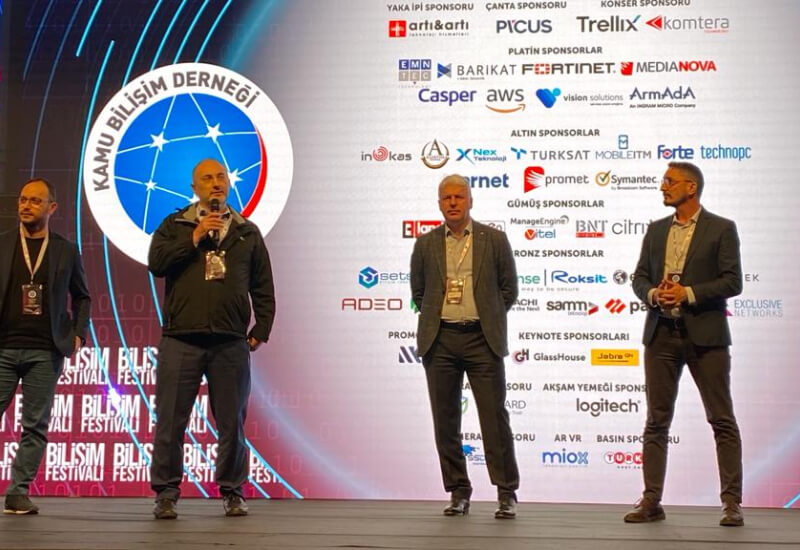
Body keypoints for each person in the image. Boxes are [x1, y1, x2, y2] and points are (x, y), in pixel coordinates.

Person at [148, 158, 275, 519]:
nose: (216, 183)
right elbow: (157, 263)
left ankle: (233, 491)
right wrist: (195, 236)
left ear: (229, 184)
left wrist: (260, 330)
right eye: (207, 178)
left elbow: (263, 286)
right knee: (171, 421)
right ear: (195, 188)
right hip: (181, 340)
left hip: (230, 342)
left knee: (232, 422)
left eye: (221, 177)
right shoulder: (175, 225)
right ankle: (166, 493)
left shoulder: (247, 232)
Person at [625, 162, 744, 526]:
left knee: (721, 419)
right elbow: (639, 277)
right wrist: (653, 294)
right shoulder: (656, 230)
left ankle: (732, 503)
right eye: (664, 181)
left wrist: (687, 293)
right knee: (656, 421)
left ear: (691, 188)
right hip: (661, 334)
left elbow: (733, 282)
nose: (663, 187)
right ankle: (651, 500)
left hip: (706, 337)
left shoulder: (721, 228)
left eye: (670, 181)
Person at [410, 174, 520, 519]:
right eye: (447, 198)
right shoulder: (425, 244)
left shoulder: (494, 239)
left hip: (482, 339)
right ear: (439, 204)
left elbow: (508, 290)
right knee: (445, 421)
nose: (453, 203)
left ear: (471, 200)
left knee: (494, 418)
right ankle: (458, 491)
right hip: (440, 340)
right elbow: (419, 294)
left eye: (459, 197)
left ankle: (506, 492)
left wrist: (484, 317)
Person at [0, 178, 90, 515]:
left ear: (52, 208)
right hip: (3, 347)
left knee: (34, 425)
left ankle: (18, 492)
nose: (26, 205)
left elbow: (82, 297)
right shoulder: (3, 243)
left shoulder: (65, 250)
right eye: (23, 199)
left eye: (35, 201)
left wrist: (78, 334)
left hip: (45, 349)